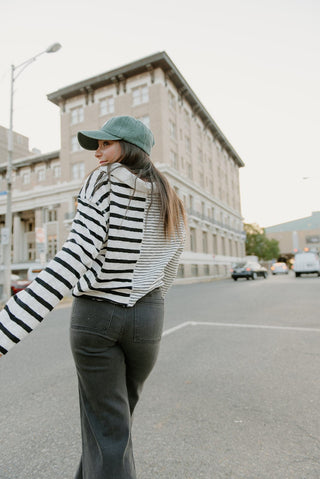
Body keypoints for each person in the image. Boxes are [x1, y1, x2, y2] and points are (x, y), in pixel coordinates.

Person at [0, 115, 186, 478]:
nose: (97, 153)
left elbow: (74, 256)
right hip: (148, 318)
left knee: (108, 428)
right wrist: (150, 305)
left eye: (106, 144)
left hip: (97, 316)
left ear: (130, 148)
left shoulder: (103, 184)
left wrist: (7, 327)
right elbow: (172, 260)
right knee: (113, 424)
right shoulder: (170, 196)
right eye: (97, 145)